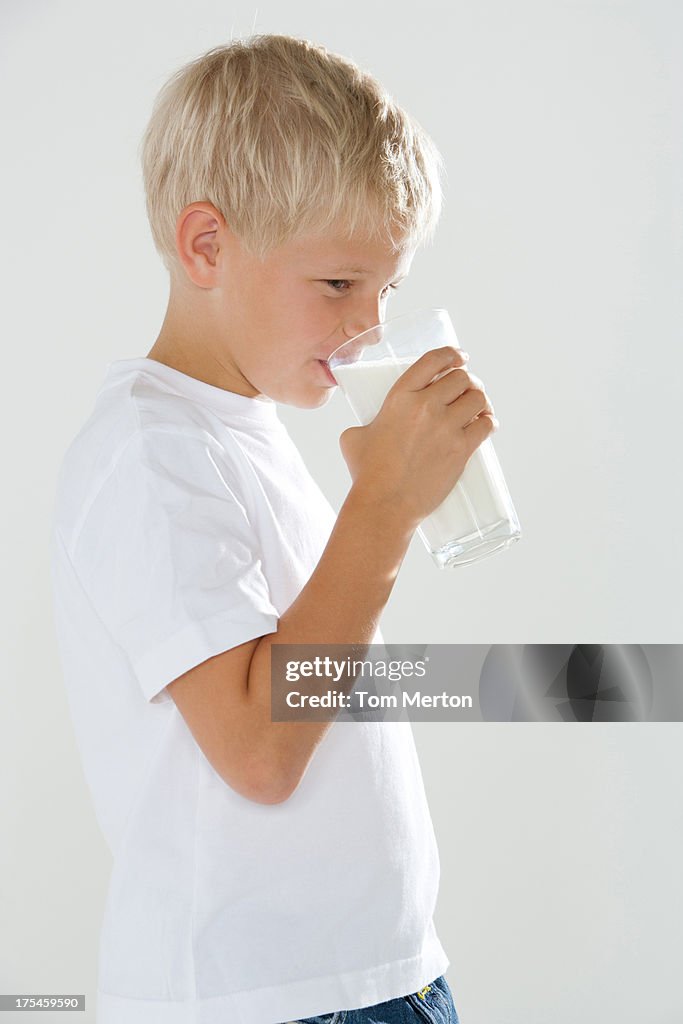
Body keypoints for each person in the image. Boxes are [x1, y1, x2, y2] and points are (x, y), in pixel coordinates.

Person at [50, 33, 496, 1024]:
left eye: (388, 287)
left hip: (373, 978)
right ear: (206, 245)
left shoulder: (240, 427)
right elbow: (259, 747)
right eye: (337, 285)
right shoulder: (150, 450)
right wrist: (380, 507)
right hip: (266, 1002)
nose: (370, 325)